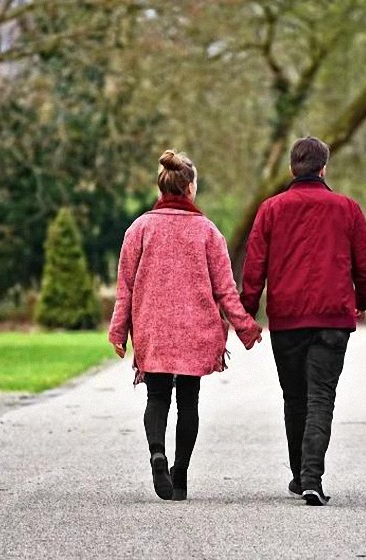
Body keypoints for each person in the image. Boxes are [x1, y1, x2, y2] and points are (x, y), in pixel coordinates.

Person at [109, 149, 262, 501]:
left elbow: (126, 288)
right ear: (189, 188)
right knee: (188, 400)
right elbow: (225, 290)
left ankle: (156, 453)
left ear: (161, 188)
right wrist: (246, 328)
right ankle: (179, 476)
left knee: (157, 395)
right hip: (196, 330)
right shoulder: (208, 232)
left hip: (154, 327)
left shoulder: (140, 229)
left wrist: (119, 331)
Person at [240, 136, 366, 506]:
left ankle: (301, 476)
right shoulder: (347, 208)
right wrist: (362, 301)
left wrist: (246, 314)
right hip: (333, 317)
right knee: (321, 397)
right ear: (323, 168)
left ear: (292, 169)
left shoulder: (270, 209)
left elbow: (254, 267)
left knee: (295, 397)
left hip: (287, 319)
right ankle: (312, 476)